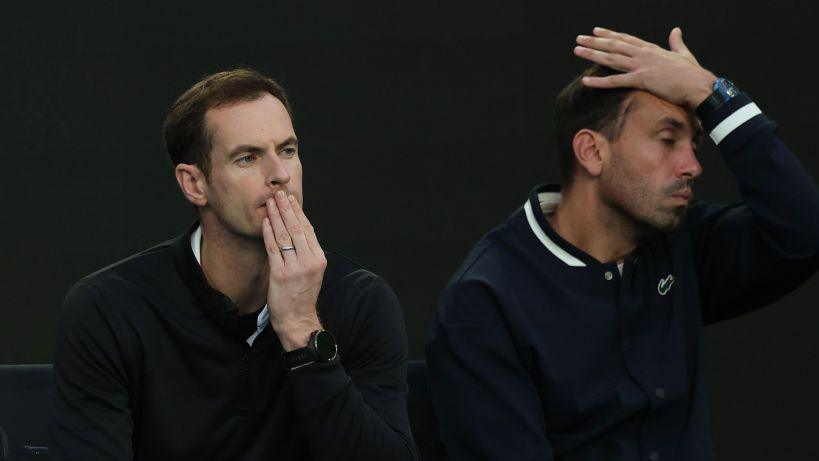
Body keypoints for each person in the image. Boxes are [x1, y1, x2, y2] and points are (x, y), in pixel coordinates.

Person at [427, 27, 819, 460]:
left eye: (695, 143)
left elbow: (805, 231)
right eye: (668, 140)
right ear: (592, 152)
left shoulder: (681, 241)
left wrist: (712, 93)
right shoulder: (485, 301)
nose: (692, 165)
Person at [50, 69, 418, 461]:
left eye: (288, 151)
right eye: (248, 157)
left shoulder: (360, 300)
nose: (279, 175)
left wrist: (301, 331)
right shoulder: (109, 309)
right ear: (194, 184)